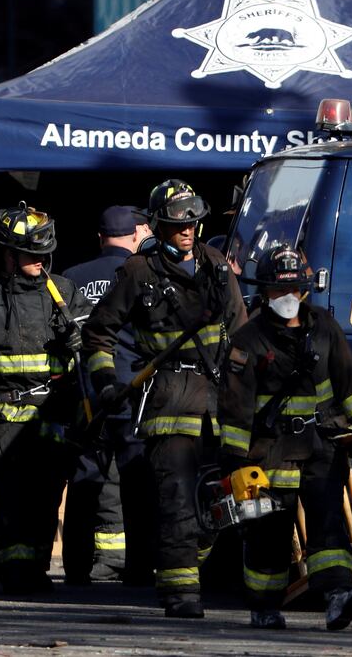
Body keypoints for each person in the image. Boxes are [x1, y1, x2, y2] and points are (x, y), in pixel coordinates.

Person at [82, 180, 247, 618]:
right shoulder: (139, 272)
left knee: (225, 500)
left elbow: (243, 335)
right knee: (176, 503)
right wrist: (106, 384)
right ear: (158, 224)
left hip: (218, 402)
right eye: (178, 224)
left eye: (192, 222)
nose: (187, 231)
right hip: (169, 401)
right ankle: (180, 595)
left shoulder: (216, 266)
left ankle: (216, 581)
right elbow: (97, 334)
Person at [217, 244, 352, 631]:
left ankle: (338, 596)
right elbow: (235, 408)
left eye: (295, 290)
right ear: (263, 291)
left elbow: (349, 384)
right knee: (270, 534)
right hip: (270, 456)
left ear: (306, 290)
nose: (287, 298)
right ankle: (265, 606)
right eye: (277, 290)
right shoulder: (248, 341)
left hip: (322, 447)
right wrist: (236, 463)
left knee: (329, 526)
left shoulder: (325, 329)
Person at [0, 202, 89, 595]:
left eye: (45, 255)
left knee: (45, 498)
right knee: (11, 499)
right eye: (31, 254)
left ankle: (35, 569)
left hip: (53, 414)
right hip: (2, 418)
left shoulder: (64, 293)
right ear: (8, 254)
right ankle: (15, 573)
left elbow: (92, 355)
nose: (40, 262)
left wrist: (80, 343)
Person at [61, 205, 155, 586]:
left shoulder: (70, 277)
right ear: (135, 237)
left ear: (100, 238)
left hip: (87, 392)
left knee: (84, 479)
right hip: (133, 391)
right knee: (136, 479)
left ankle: (76, 568)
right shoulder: (143, 275)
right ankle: (138, 568)